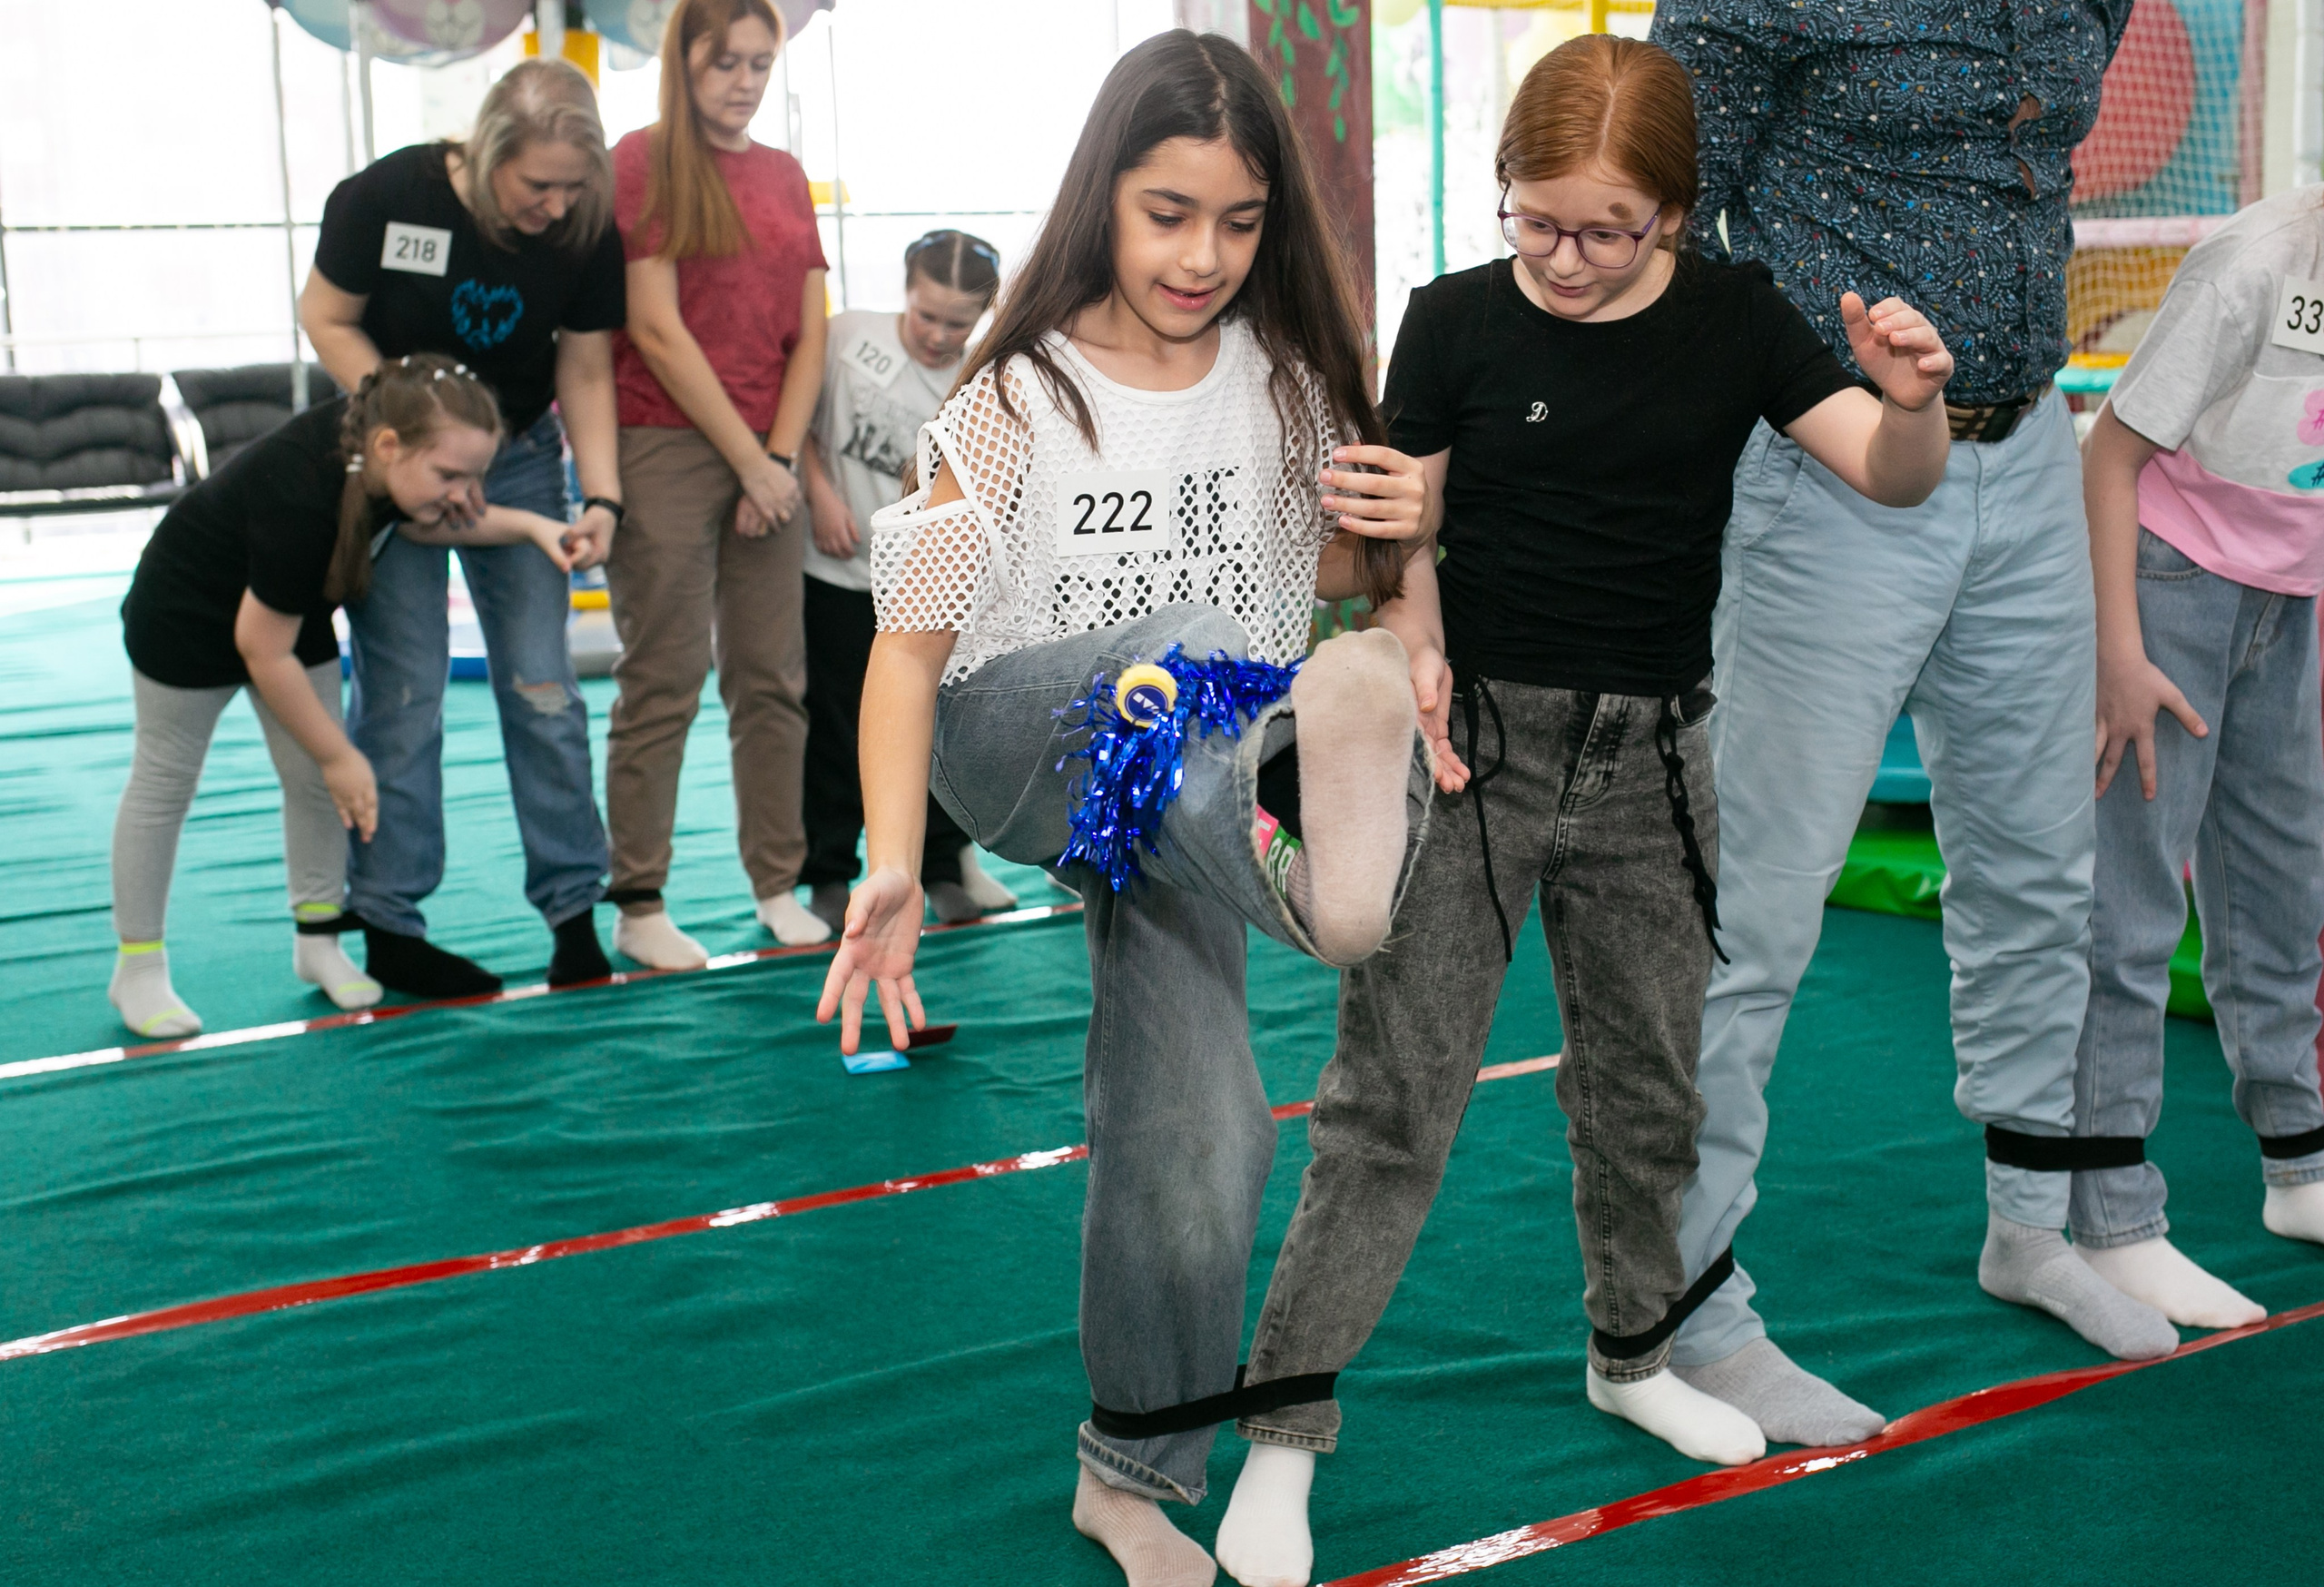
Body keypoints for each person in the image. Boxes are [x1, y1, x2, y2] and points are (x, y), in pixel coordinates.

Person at [1207, 37, 1957, 1582]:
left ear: (1677, 217)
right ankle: (1282, 1432)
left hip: (1654, 762)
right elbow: (1394, 543)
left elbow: (1892, 476)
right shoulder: (1456, 318)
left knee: (1646, 1088)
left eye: (1605, 231)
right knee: (1391, 1098)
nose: (1561, 257)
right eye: (1532, 219)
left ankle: (1633, 1354)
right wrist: (1408, 618)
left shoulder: (1739, 320)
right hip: (1473, 751)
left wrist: (1916, 400)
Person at [815, 32, 1432, 1587]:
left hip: (1190, 795)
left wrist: (1416, 535)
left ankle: (1130, 1472)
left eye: (1236, 223)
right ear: (1102, 199)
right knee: (1169, 653)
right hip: (1020, 737)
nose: (1203, 256)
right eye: (1168, 214)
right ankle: (1323, 884)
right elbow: (905, 660)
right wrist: (895, 860)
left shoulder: (1288, 392)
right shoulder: (1017, 399)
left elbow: (1356, 574)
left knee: (1207, 1125)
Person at [1638, 0, 2178, 1443]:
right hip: (1830, 471)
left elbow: (2032, 173)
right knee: (1754, 907)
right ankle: (1679, 1305)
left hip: (2024, 453)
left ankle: (2032, 1224)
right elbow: (1664, 224)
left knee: (2036, 871)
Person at [300, 58, 625, 999]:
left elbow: (588, 367)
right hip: (398, 457)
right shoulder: (387, 196)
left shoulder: (585, 225)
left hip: (521, 451)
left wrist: (597, 496)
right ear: (486, 154)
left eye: (574, 186)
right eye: (537, 185)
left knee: (544, 690)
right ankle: (391, 920)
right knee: (402, 696)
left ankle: (573, 909)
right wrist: (417, 452)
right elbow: (325, 315)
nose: (557, 205)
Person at [108, 358, 553, 1037]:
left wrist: (531, 527)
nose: (465, 492)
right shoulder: (303, 495)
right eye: (451, 477)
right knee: (166, 782)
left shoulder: (389, 463)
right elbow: (261, 649)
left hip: (286, 607)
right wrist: (342, 754)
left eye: (475, 476)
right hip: (186, 618)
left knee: (315, 779)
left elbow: (414, 522)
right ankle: (137, 969)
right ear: (388, 448)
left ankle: (318, 941)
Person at [2072, 187, 2324, 1321]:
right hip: (2171, 581)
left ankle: (2300, 1161)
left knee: (2282, 885)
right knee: (2131, 904)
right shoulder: (2251, 266)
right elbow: (2109, 456)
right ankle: (2109, 1210)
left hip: (2291, 596)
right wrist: (2118, 652)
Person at [601, 0, 832, 966]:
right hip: (664, 440)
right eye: (723, 62)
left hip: (768, 455)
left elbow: (810, 331)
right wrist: (746, 458)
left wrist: (776, 461)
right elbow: (653, 325)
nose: (742, 82)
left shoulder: (783, 174)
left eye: (758, 65)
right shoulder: (642, 159)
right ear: (682, 61)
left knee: (773, 679)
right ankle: (639, 896)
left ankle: (776, 880)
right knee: (662, 673)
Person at [798, 230, 1019, 934]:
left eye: (958, 323)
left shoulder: (983, 375)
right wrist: (819, 494)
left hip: (929, 588)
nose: (937, 334)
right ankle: (829, 871)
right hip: (836, 571)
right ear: (905, 290)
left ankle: (946, 864)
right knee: (833, 726)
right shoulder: (843, 339)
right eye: (926, 316)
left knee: (937, 726)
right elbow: (794, 423)